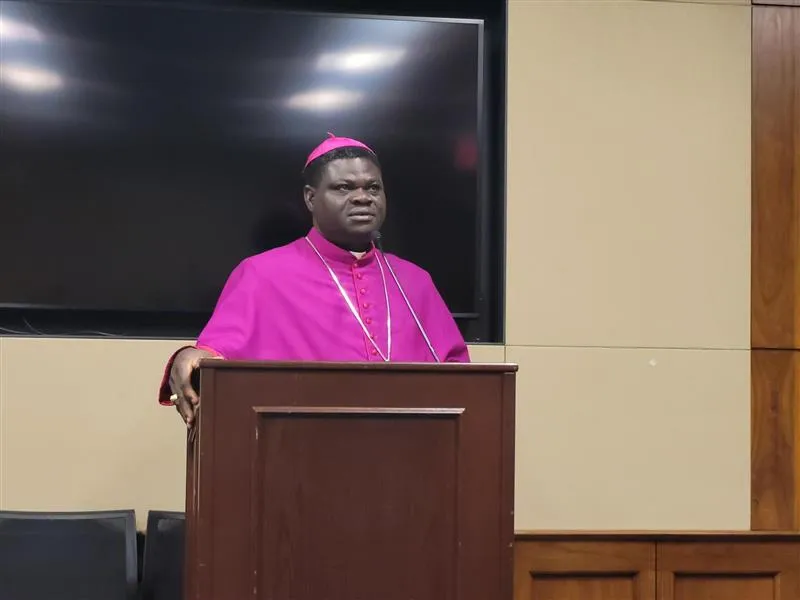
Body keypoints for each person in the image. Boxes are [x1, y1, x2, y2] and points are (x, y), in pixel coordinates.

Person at [159, 133, 470, 425]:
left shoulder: (414, 282)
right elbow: (217, 355)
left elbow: (462, 382)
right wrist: (189, 356)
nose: (362, 197)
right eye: (344, 188)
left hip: (414, 455)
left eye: (373, 187)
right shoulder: (262, 274)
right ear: (310, 198)